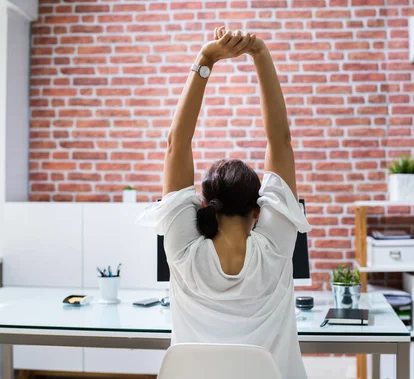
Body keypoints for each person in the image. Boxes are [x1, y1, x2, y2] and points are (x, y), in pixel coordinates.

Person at [136, 26, 311, 379]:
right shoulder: (275, 249)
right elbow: (281, 141)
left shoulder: (184, 253)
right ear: (259, 211)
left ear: (203, 204)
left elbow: (176, 145)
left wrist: (205, 60)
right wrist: (260, 54)